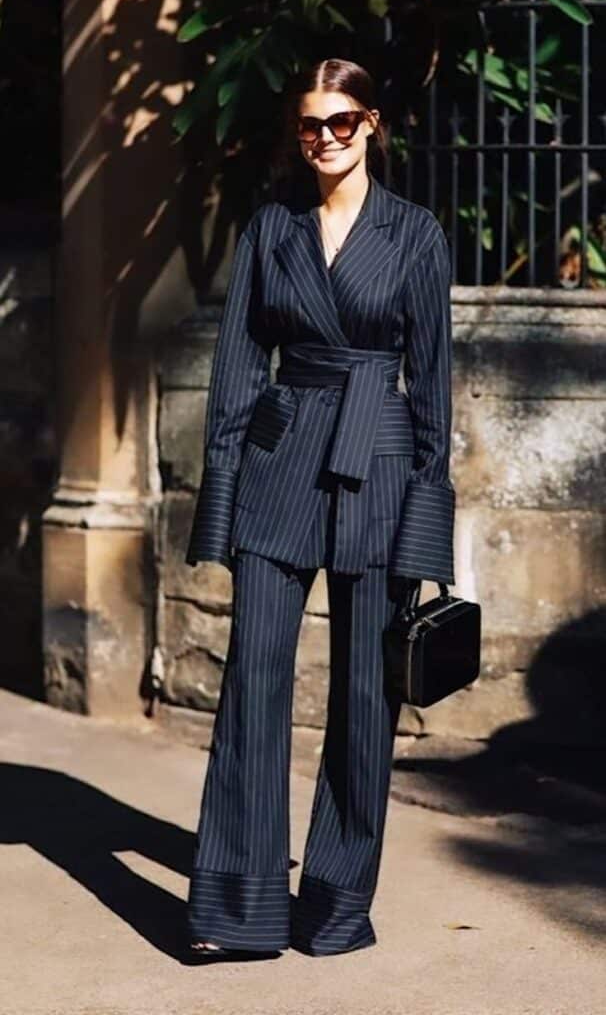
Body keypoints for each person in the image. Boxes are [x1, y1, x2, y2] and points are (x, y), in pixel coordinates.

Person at [184, 57, 456, 959]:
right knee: (252, 681)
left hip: (375, 469)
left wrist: (425, 530)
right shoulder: (271, 229)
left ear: (372, 124)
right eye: (311, 125)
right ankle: (238, 905)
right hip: (277, 464)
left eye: (343, 122)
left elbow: (432, 399)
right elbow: (234, 372)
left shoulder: (415, 234)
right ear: (296, 133)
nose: (326, 139)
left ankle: (336, 904)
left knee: (363, 696)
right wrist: (219, 500)